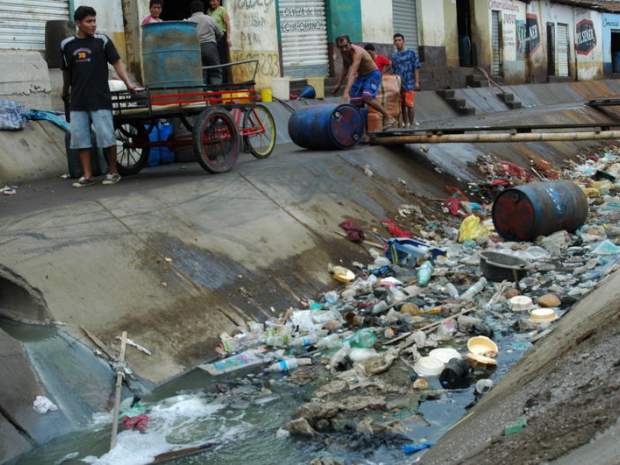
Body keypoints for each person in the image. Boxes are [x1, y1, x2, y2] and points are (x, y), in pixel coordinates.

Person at [61, 5, 138, 188]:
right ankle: (87, 175)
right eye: (89, 21)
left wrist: (128, 83)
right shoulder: (66, 45)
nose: (93, 25)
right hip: (78, 100)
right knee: (81, 139)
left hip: (100, 98)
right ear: (78, 23)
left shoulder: (102, 41)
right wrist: (65, 91)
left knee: (106, 137)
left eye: (94, 20)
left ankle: (113, 172)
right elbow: (66, 72)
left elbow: (117, 63)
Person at [333, 35, 396, 130]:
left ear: (350, 44)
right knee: (355, 102)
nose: (344, 49)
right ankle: (363, 132)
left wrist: (346, 92)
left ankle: (389, 117)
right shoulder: (344, 52)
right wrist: (338, 84)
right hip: (362, 76)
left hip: (373, 74)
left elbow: (353, 72)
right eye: (341, 47)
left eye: (346, 46)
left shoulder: (357, 52)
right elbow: (345, 69)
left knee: (366, 97)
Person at [187, 0, 223, 86]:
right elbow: (220, 33)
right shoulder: (209, 19)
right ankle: (215, 94)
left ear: (191, 10)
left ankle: (202, 94)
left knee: (201, 72)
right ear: (202, 9)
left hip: (195, 49)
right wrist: (214, 41)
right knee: (215, 70)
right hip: (210, 47)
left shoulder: (188, 21)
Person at [391, 33, 421, 127]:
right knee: (402, 105)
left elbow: (416, 67)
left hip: (409, 83)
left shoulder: (411, 53)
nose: (397, 42)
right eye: (395, 40)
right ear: (394, 43)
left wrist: (416, 82)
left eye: (399, 40)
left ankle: (411, 124)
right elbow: (393, 70)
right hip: (399, 84)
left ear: (403, 41)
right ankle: (405, 124)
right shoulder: (394, 56)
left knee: (409, 104)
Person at [208, 0, 232, 82]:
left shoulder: (222, 10)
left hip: (221, 37)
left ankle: (225, 82)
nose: (212, 3)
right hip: (212, 38)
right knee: (214, 60)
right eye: (211, 1)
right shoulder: (209, 11)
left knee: (222, 59)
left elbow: (228, 24)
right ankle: (216, 82)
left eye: (214, 1)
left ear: (218, 1)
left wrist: (228, 38)